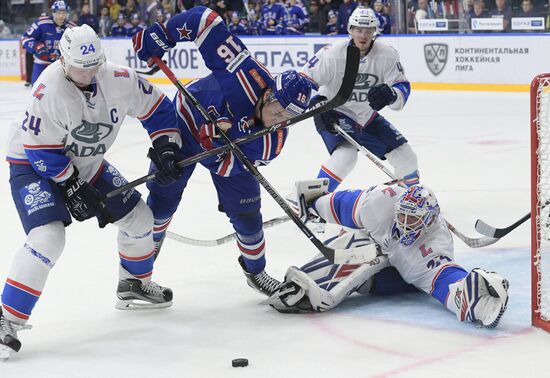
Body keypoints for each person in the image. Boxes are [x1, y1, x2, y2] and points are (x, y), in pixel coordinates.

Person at [0, 24, 175, 359]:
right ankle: (6, 318)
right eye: (79, 68)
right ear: (63, 61)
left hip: (86, 162)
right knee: (48, 237)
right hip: (32, 163)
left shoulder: (121, 79)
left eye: (93, 66)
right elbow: (40, 150)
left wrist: (166, 147)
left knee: (140, 220)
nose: (87, 74)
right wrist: (71, 186)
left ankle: (133, 284)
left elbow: (159, 109)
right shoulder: (47, 91)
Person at [131, 6, 314, 296]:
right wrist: (164, 35)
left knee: (248, 214)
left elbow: (234, 166)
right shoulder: (243, 72)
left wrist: (215, 144)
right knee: (163, 199)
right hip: (184, 120)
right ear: (268, 94)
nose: (278, 122)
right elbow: (204, 20)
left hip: (223, 155)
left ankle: (256, 272)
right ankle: (138, 274)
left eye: (286, 119)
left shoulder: (272, 141)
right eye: (277, 111)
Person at [267, 180, 510, 329]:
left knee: (373, 265)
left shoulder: (433, 248)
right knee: (357, 242)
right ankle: (313, 280)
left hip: (396, 277)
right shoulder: (380, 203)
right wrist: (311, 205)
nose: (404, 222)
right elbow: (341, 204)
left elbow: (445, 281)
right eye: (402, 214)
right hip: (373, 241)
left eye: (412, 219)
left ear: (428, 221)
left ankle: (328, 288)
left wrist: (471, 299)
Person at [302, 7, 418, 193]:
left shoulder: (387, 54)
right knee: (346, 156)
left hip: (367, 117)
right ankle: (311, 199)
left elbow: (401, 86)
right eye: (358, 29)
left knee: (407, 157)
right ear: (350, 29)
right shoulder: (332, 54)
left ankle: (412, 200)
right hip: (335, 113)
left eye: (368, 30)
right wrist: (317, 104)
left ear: (374, 32)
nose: (363, 35)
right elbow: (304, 81)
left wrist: (391, 94)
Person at [21, 0, 76, 86]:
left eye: (64, 13)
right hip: (41, 64)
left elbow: (77, 46)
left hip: (61, 65)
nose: (61, 16)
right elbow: (25, 38)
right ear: (53, 13)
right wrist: (36, 47)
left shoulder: (72, 28)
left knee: (63, 93)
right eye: (58, 13)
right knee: (37, 93)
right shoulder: (42, 23)